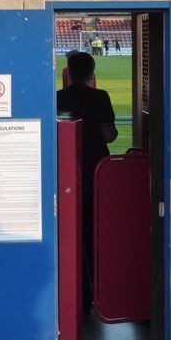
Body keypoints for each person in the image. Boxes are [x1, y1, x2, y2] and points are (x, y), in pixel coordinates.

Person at [57, 52, 117, 313]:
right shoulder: (100, 96)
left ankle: (73, 294)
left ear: (68, 72)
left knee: (68, 232)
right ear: (92, 74)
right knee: (94, 230)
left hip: (65, 173)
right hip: (96, 172)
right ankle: (95, 292)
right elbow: (109, 134)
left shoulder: (58, 97)